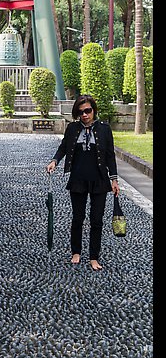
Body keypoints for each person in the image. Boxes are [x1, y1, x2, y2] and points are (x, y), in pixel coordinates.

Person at [46, 94, 120, 271]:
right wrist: (54, 161)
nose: (85, 115)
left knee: (97, 220)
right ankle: (76, 252)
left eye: (88, 111)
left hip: (100, 181)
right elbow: (63, 147)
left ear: (93, 110)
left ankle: (94, 257)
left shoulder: (104, 129)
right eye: (81, 112)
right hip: (78, 179)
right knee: (78, 218)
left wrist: (114, 179)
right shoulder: (72, 128)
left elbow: (110, 155)